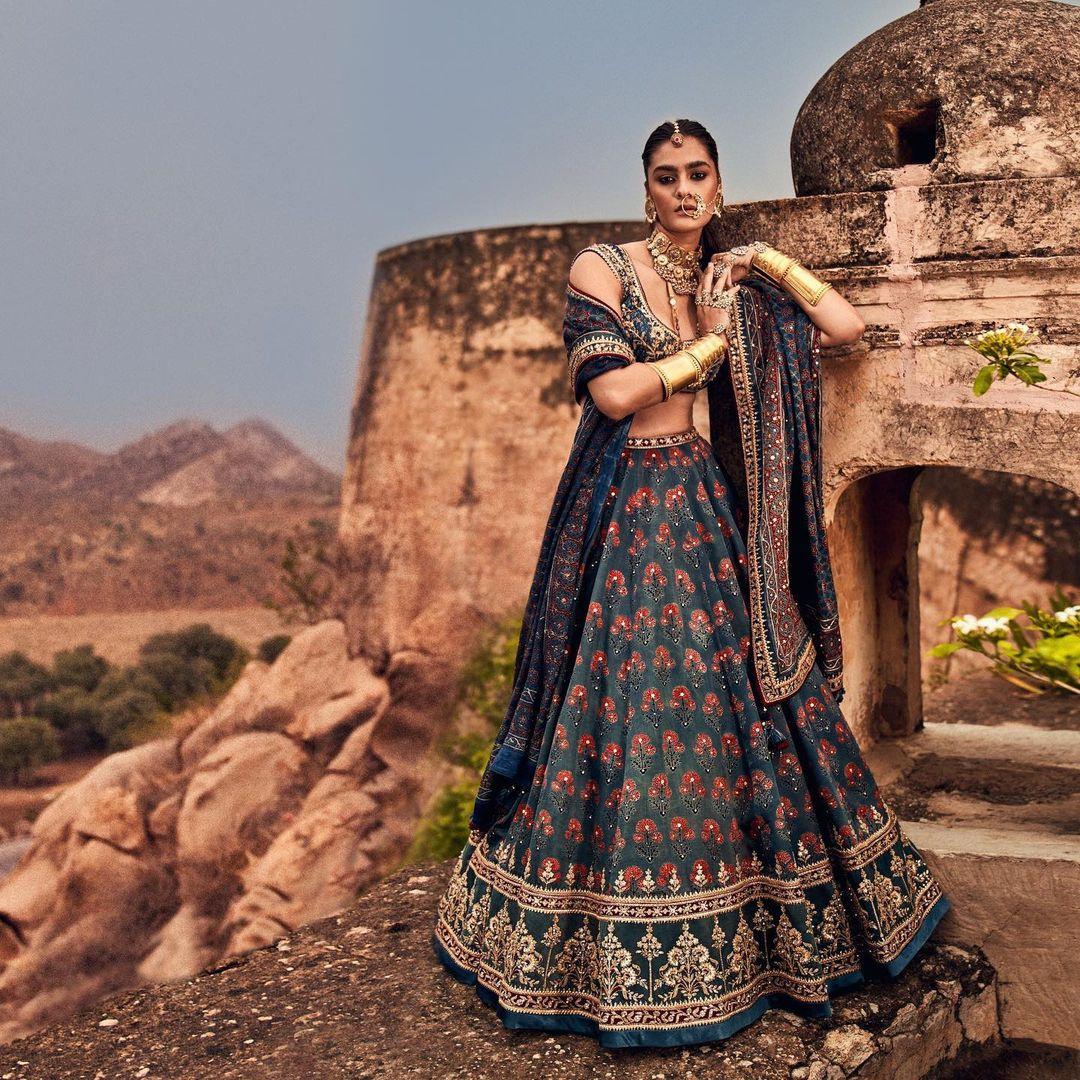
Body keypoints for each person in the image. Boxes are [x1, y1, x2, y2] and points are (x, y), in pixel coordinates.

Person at [432, 118, 949, 1049]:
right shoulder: (604, 268)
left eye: (697, 174)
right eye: (666, 176)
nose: (681, 190)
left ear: (716, 183)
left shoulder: (731, 277)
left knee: (739, 696)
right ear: (645, 188)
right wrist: (710, 345)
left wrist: (764, 264)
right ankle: (601, 939)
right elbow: (616, 395)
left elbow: (846, 328)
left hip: (705, 502)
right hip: (629, 505)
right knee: (622, 702)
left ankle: (760, 935)